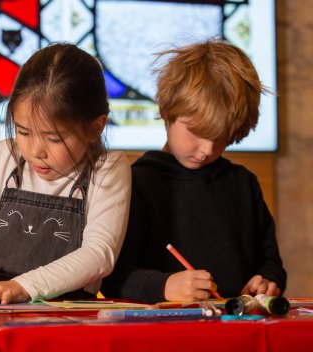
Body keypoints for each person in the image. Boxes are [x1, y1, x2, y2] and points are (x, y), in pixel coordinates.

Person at [0, 43, 131, 305]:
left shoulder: (108, 169)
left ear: (95, 128)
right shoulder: (3, 157)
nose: (35, 151)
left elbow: (99, 254)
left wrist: (20, 286)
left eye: (54, 139)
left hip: (68, 320)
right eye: (23, 132)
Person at [101, 39, 287, 303]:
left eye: (221, 137)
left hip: (238, 328)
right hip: (166, 332)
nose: (207, 150)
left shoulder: (244, 183)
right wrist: (164, 286)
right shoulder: (137, 182)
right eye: (197, 133)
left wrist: (267, 282)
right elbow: (112, 277)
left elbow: (271, 264)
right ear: (165, 109)